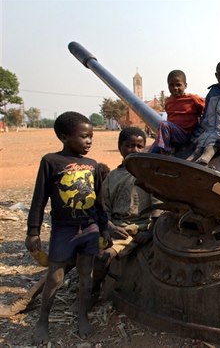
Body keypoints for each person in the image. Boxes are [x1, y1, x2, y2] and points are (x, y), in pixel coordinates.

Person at [25, 111, 111, 344]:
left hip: (90, 229)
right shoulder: (50, 162)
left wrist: (104, 229)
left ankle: (82, 316)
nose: (89, 141)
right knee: (54, 278)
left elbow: (99, 202)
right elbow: (39, 200)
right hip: (64, 231)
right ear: (64, 137)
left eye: (91, 137)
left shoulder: (92, 166)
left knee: (86, 276)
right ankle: (43, 321)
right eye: (84, 136)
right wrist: (33, 231)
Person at [93, 127, 162, 300]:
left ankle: (92, 294)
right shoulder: (112, 177)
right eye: (130, 146)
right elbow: (104, 207)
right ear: (120, 147)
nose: (135, 150)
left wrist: (148, 232)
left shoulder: (149, 175)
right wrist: (108, 227)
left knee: (103, 256)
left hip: (136, 227)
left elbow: (158, 207)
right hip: (114, 226)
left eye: (140, 146)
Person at [149, 70, 205, 154]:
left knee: (164, 125)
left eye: (178, 85)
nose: (175, 88)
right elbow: (170, 118)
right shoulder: (168, 101)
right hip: (174, 134)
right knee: (154, 147)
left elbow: (206, 111)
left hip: (187, 134)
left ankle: (165, 153)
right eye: (171, 85)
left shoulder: (193, 99)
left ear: (185, 85)